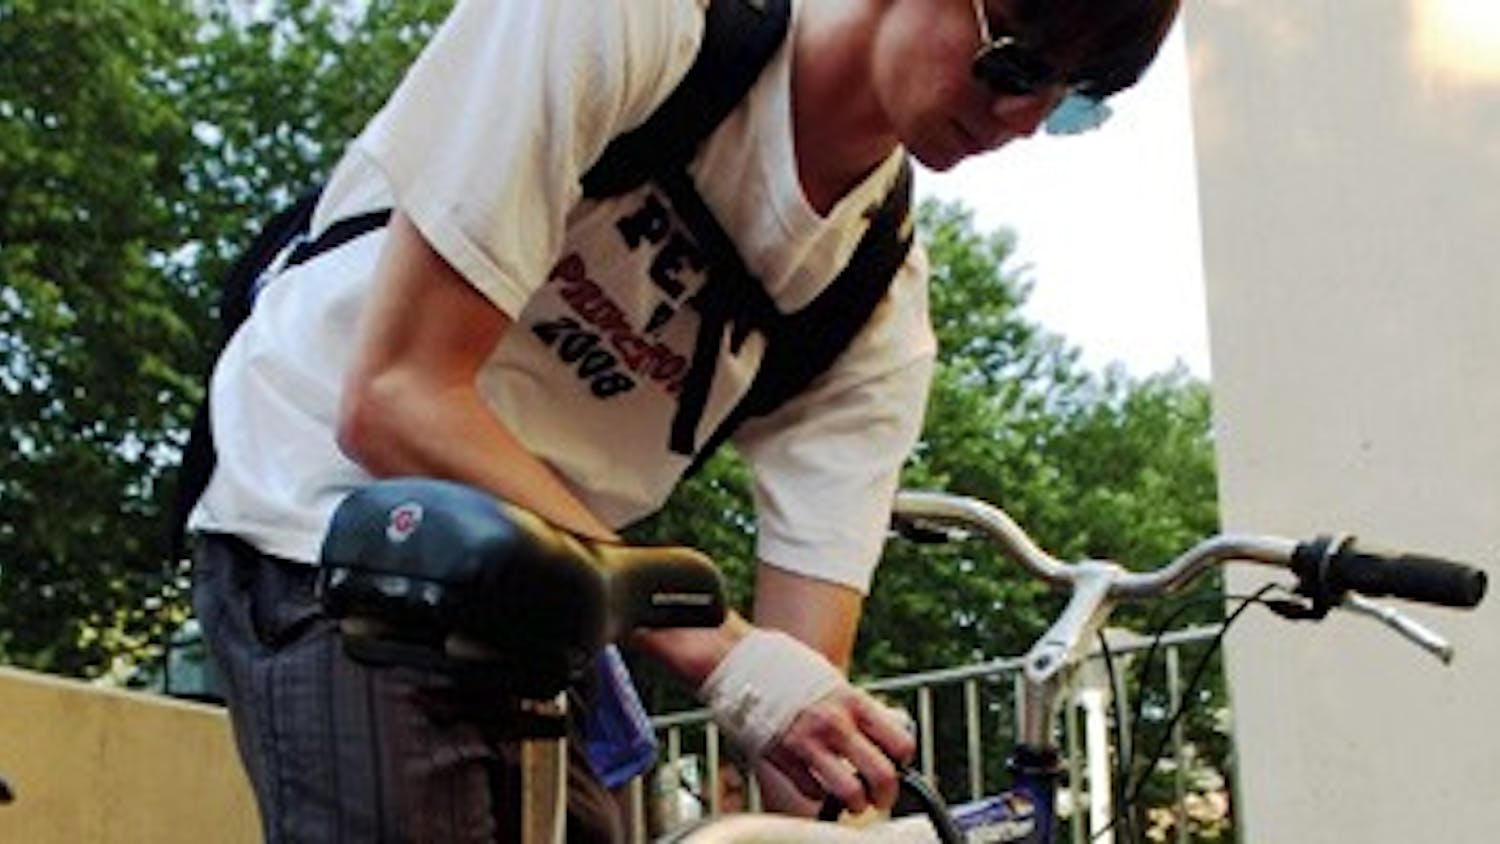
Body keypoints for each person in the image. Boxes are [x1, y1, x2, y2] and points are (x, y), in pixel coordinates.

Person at [186, 0, 1180, 840]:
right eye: (1015, 61)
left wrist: (835, 787)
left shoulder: (875, 309)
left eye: (1072, 100)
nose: (1021, 119)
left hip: (550, 596)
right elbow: (398, 397)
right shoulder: (635, 20)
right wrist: (724, 651)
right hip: (336, 511)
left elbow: (797, 694)